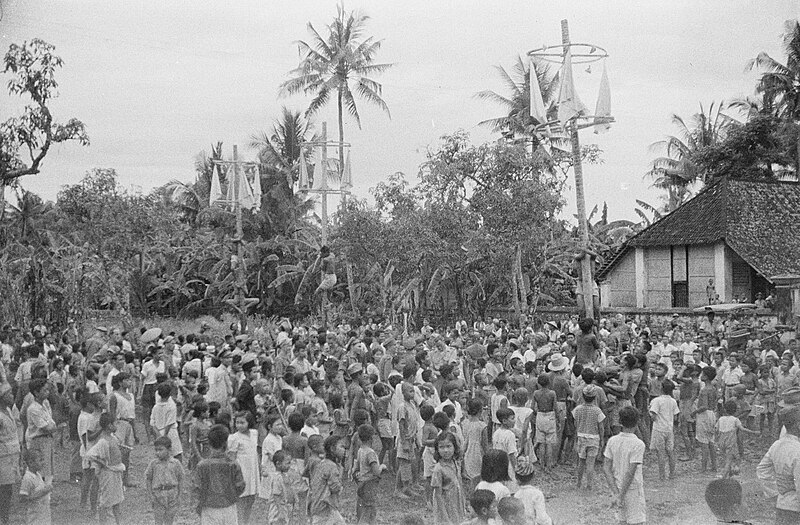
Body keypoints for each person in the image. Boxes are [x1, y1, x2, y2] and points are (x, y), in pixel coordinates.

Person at [193, 424, 246, 525]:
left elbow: (197, 488)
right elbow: (240, 486)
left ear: (208, 443)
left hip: (209, 508)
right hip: (229, 507)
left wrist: (200, 503)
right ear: (226, 443)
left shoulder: (202, 465)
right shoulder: (233, 464)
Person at [757, 405, 800, 525]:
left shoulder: (777, 444)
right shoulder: (797, 450)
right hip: (796, 509)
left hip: (782, 504)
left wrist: (774, 493)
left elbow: (762, 470)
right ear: (798, 425)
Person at [603, 406, 646, 525]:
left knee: (621, 521)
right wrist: (621, 496)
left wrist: (616, 493)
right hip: (632, 489)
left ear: (620, 421)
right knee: (637, 521)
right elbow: (630, 472)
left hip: (616, 486)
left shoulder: (612, 441)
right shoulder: (638, 444)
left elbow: (606, 468)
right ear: (637, 422)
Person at [86, 412, 125, 525]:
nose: (116, 425)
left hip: (116, 472)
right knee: (105, 502)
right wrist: (102, 463)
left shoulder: (112, 438)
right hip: (108, 473)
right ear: (109, 425)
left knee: (117, 500)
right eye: (115, 423)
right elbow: (90, 454)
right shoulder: (103, 440)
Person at [227, 411, 260, 525]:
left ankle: (246, 521)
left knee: (251, 497)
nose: (239, 425)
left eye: (242, 422)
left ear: (249, 423)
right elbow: (231, 458)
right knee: (241, 498)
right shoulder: (234, 438)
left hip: (252, 469)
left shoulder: (254, 433)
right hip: (241, 470)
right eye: (237, 422)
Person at [144, 436, 185, 525]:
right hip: (158, 495)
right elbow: (148, 479)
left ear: (169, 449)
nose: (157, 453)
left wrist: (179, 495)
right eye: (156, 450)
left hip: (172, 494)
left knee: (169, 520)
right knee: (158, 520)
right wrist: (151, 495)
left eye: (160, 450)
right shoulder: (153, 464)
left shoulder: (175, 463)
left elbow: (181, 478)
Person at [573, 384, 606, 490]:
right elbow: (601, 427)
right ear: (595, 397)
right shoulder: (597, 411)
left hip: (581, 436)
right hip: (594, 438)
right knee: (590, 463)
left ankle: (578, 483)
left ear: (582, 396)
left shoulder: (577, 410)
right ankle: (589, 485)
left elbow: (575, 424)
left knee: (581, 462)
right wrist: (602, 439)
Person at [352, 424, 386, 525]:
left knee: (362, 508)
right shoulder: (370, 453)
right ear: (371, 438)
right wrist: (382, 467)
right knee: (370, 510)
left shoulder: (360, 450)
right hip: (370, 484)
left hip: (361, 483)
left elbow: (356, 468)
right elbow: (376, 471)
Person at [308, 435, 346, 525]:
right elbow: (335, 487)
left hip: (319, 505)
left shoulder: (322, 463)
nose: (344, 450)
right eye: (341, 447)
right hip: (325, 507)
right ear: (332, 449)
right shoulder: (331, 466)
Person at [716, 400, 759, 478]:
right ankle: (724, 477)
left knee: (728, 458)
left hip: (721, 441)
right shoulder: (735, 420)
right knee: (730, 460)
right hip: (730, 441)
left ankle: (729, 473)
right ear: (735, 410)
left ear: (725, 409)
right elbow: (742, 429)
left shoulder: (721, 419)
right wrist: (754, 432)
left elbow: (716, 430)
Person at [430, 431, 465, 525]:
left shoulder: (456, 463)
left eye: (448, 446)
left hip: (456, 502)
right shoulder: (439, 469)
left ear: (454, 447)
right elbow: (438, 495)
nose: (445, 450)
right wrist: (445, 518)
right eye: (441, 447)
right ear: (437, 449)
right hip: (445, 506)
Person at [648, 379, 679, 481]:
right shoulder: (673, 401)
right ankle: (672, 474)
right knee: (670, 451)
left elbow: (653, 415)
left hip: (659, 428)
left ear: (661, 388)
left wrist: (649, 413)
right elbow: (675, 417)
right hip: (669, 428)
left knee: (660, 453)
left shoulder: (657, 400)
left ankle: (662, 475)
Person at [0, 382, 21, 525]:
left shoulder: (10, 410)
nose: (12, 396)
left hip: (12, 454)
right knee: (4, 488)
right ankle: (3, 516)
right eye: (9, 394)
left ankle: (5, 514)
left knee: (9, 488)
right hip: (3, 455)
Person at [513, 455, 552, 525]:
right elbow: (541, 518)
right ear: (533, 476)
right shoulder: (537, 494)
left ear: (517, 478)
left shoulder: (516, 495)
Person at [694, 366, 719, 472]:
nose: (701, 376)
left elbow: (704, 406)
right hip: (712, 414)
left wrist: (694, 412)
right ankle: (714, 466)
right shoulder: (713, 388)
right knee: (711, 441)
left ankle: (703, 468)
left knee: (704, 443)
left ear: (707, 377)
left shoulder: (704, 390)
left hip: (704, 415)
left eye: (703, 374)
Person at [461, 398, 488, 496]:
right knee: (478, 477)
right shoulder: (482, 426)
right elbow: (485, 445)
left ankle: (472, 495)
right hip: (478, 453)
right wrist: (488, 456)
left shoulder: (465, 423)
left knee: (472, 477)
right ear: (480, 411)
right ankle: (474, 496)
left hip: (467, 451)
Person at [18, 448, 52, 525]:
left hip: (44, 514)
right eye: (40, 460)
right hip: (35, 517)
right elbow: (23, 498)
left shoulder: (38, 475)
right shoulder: (27, 478)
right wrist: (42, 493)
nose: (43, 463)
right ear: (31, 462)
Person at [150, 383, 183, 461]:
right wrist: (164, 436)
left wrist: (158, 435)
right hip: (170, 432)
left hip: (159, 431)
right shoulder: (171, 406)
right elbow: (170, 423)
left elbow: (152, 423)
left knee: (162, 454)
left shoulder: (156, 406)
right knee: (177, 454)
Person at [532, 374, 557, 468]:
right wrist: (557, 419)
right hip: (550, 415)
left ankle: (542, 463)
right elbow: (555, 407)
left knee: (541, 442)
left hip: (540, 415)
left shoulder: (536, 393)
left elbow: (532, 407)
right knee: (549, 442)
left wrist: (536, 414)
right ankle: (549, 464)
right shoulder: (552, 393)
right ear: (549, 382)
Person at [263, 450, 295, 525]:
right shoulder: (277, 478)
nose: (289, 466)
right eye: (287, 463)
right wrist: (280, 512)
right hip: (277, 510)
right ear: (278, 464)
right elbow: (276, 495)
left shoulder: (284, 475)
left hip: (284, 507)